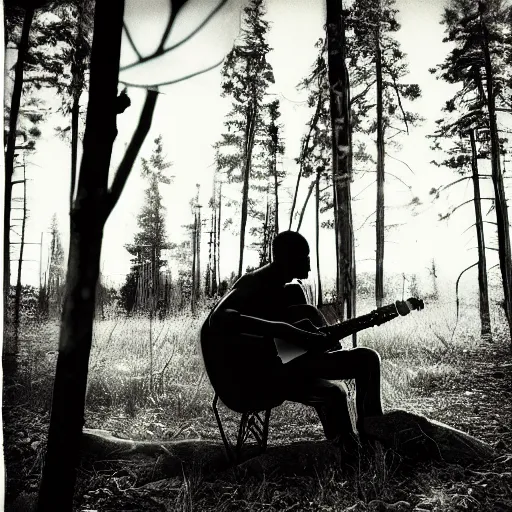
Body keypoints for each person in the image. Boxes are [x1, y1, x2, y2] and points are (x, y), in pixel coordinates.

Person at [207, 230, 383, 450]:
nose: (309, 266)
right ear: (287, 259)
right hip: (247, 379)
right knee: (334, 392)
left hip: (283, 364)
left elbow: (292, 342)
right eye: (305, 258)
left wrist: (315, 340)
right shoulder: (253, 282)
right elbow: (219, 319)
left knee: (367, 359)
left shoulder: (290, 292)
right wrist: (287, 331)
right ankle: (346, 452)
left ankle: (374, 437)